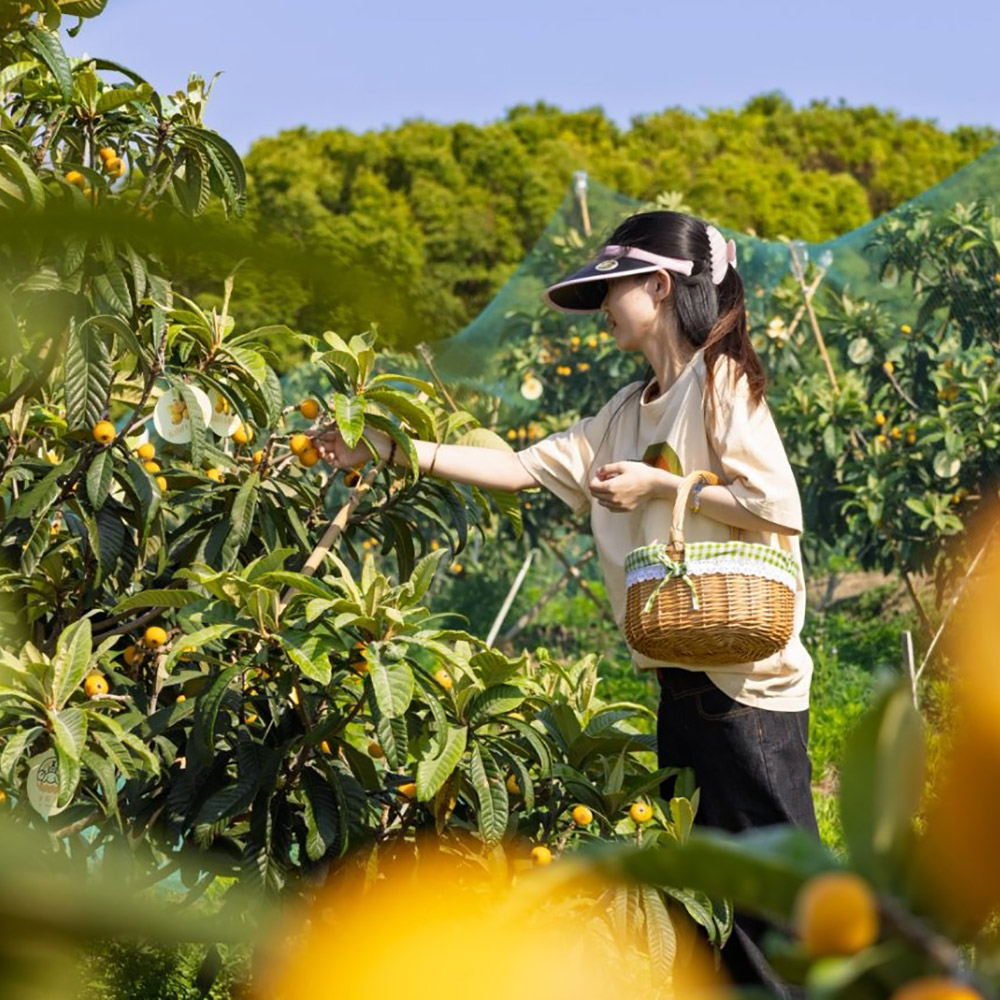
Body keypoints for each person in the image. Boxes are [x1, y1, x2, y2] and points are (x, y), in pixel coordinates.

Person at [312, 210, 819, 998]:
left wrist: (662, 484)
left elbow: (775, 504)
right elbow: (515, 468)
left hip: (750, 687)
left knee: (774, 912)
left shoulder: (718, 383)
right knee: (707, 907)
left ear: (658, 285)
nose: (605, 308)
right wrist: (384, 447)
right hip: (681, 681)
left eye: (614, 289)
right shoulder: (623, 413)